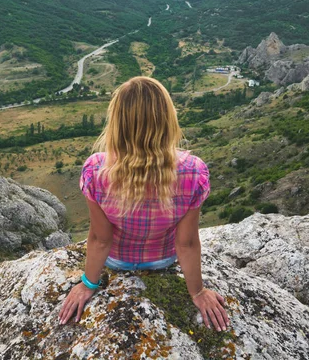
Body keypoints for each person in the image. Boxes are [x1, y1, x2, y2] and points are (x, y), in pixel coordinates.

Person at [58, 76, 230, 332]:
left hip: (116, 261)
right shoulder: (194, 172)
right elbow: (187, 243)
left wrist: (87, 284)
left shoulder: (96, 169)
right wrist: (197, 291)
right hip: (163, 260)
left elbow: (100, 239)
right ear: (167, 120)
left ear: (117, 122)